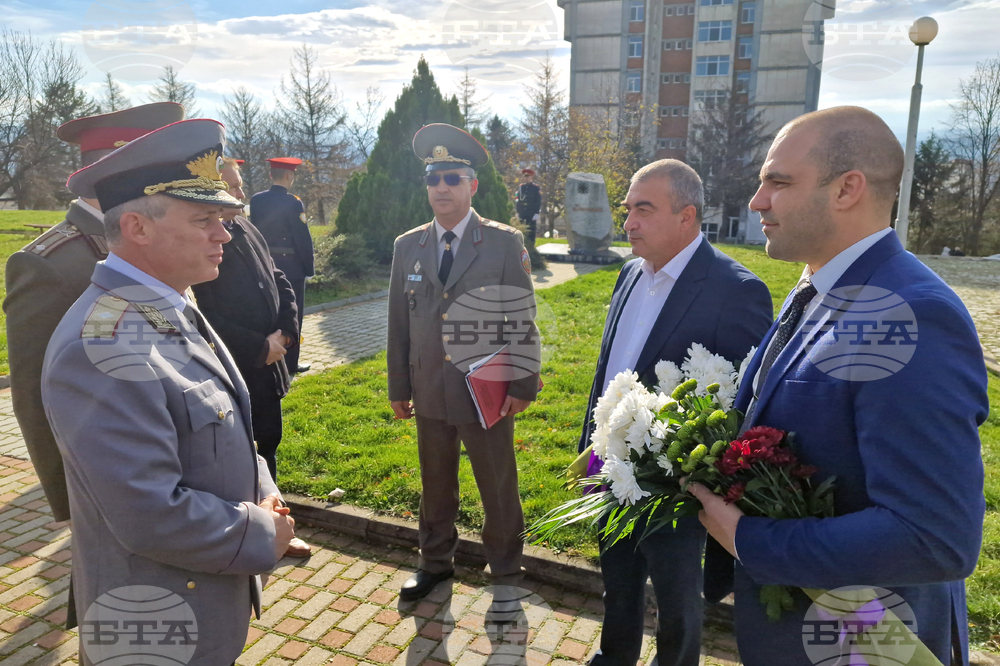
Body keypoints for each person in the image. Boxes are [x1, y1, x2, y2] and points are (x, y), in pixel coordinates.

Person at [691, 106, 989, 666]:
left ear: (847, 189)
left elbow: (932, 536)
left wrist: (751, 541)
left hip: (868, 645)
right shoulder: (821, 284)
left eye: (779, 182)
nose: (757, 201)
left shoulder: (909, 315)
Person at [43, 118, 294, 666]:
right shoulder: (102, 345)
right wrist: (261, 533)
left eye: (223, 219)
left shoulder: (164, 304)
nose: (224, 234)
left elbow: (223, 429)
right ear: (137, 226)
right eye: (204, 220)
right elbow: (148, 512)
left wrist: (265, 493)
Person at [577, 160, 772, 666]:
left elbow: (742, 405)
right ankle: (614, 657)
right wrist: (590, 451)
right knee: (617, 580)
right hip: (612, 468)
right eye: (627, 210)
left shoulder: (736, 290)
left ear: (687, 216)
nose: (628, 222)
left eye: (643, 210)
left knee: (678, 598)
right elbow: (610, 368)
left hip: (679, 486)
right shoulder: (628, 273)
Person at [4, 102, 185, 526]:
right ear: (115, 172)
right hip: (112, 476)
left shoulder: (157, 237)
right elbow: (34, 393)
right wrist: (71, 501)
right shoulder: (49, 263)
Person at [386, 123, 540, 601]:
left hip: (486, 389)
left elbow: (522, 318)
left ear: (472, 185)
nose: (442, 188)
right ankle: (434, 563)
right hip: (429, 386)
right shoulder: (407, 245)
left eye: (452, 178)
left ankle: (506, 570)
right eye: (433, 179)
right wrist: (398, 387)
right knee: (435, 483)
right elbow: (398, 323)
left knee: (497, 483)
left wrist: (522, 384)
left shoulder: (502, 242)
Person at [192, 156, 311, 558]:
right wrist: (260, 347)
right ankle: (252, 533)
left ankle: (275, 527)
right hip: (237, 368)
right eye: (232, 186)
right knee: (241, 454)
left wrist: (286, 332)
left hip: (268, 366)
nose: (241, 193)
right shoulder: (201, 242)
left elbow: (279, 279)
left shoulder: (244, 226)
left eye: (239, 184)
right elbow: (204, 313)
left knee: (268, 445)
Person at [249, 157, 314, 374]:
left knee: (270, 313)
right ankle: (290, 364)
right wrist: (308, 268)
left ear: (271, 175)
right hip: (291, 267)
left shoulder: (257, 200)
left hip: (265, 264)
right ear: (288, 175)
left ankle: (269, 357)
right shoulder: (293, 202)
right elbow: (302, 238)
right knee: (293, 315)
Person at [515, 168, 541, 245]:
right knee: (520, 229)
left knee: (531, 229)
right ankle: (520, 244)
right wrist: (517, 211)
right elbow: (517, 200)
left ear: (531, 177)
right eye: (525, 176)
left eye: (527, 176)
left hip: (531, 212)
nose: (526, 178)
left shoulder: (535, 188)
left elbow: (538, 201)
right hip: (522, 211)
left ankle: (531, 245)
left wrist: (536, 212)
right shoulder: (521, 187)